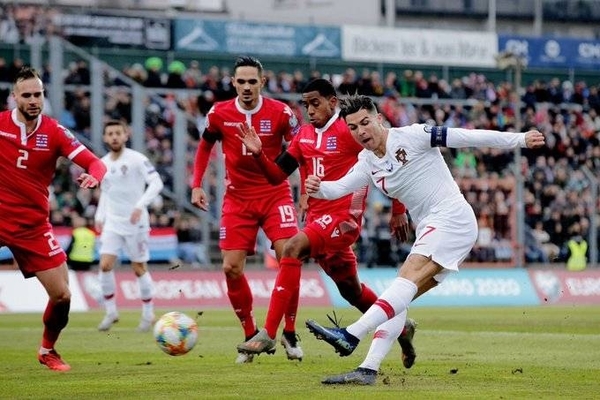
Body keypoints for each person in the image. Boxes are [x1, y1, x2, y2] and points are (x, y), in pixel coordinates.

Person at [304, 94, 545, 384]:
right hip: (432, 225)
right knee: (396, 300)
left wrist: (518, 140)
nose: (361, 132)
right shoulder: (367, 161)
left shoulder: (414, 135)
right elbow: (338, 189)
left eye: (365, 123)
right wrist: (317, 188)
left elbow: (467, 136)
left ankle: (351, 334)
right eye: (353, 128)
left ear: (379, 119)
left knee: (403, 282)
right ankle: (367, 370)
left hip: (451, 216)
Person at [234, 79, 417, 368]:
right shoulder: (304, 135)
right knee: (351, 290)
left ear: (333, 102)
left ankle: (269, 332)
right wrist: (259, 154)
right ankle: (402, 327)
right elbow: (275, 176)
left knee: (292, 248)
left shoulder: (349, 129)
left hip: (344, 218)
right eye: (305, 104)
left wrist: (398, 208)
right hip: (318, 220)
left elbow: (388, 155)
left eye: (314, 102)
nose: (308, 109)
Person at [190, 56, 302, 364]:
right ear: (233, 83)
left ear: (262, 83)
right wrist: (196, 184)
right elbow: (204, 147)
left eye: (253, 81)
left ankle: (289, 332)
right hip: (237, 199)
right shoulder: (219, 113)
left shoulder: (281, 112)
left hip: (275, 194)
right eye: (242, 81)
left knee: (288, 256)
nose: (247, 87)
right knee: (231, 267)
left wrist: (304, 190)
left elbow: (301, 149)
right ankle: (252, 335)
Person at [0, 67, 106, 371]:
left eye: (38, 94)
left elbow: (95, 163)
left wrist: (93, 176)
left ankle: (47, 349)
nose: (34, 100)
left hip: (33, 226)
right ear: (15, 97)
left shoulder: (55, 131)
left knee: (62, 296)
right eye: (27, 95)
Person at [94, 120, 164, 333]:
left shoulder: (137, 159)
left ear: (126, 135)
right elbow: (106, 192)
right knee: (105, 265)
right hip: (113, 222)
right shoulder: (102, 163)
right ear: (105, 138)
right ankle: (111, 312)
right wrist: (99, 215)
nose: (114, 137)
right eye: (110, 134)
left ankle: (148, 313)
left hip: (136, 223)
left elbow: (157, 183)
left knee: (138, 268)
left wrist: (140, 206)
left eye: (118, 133)